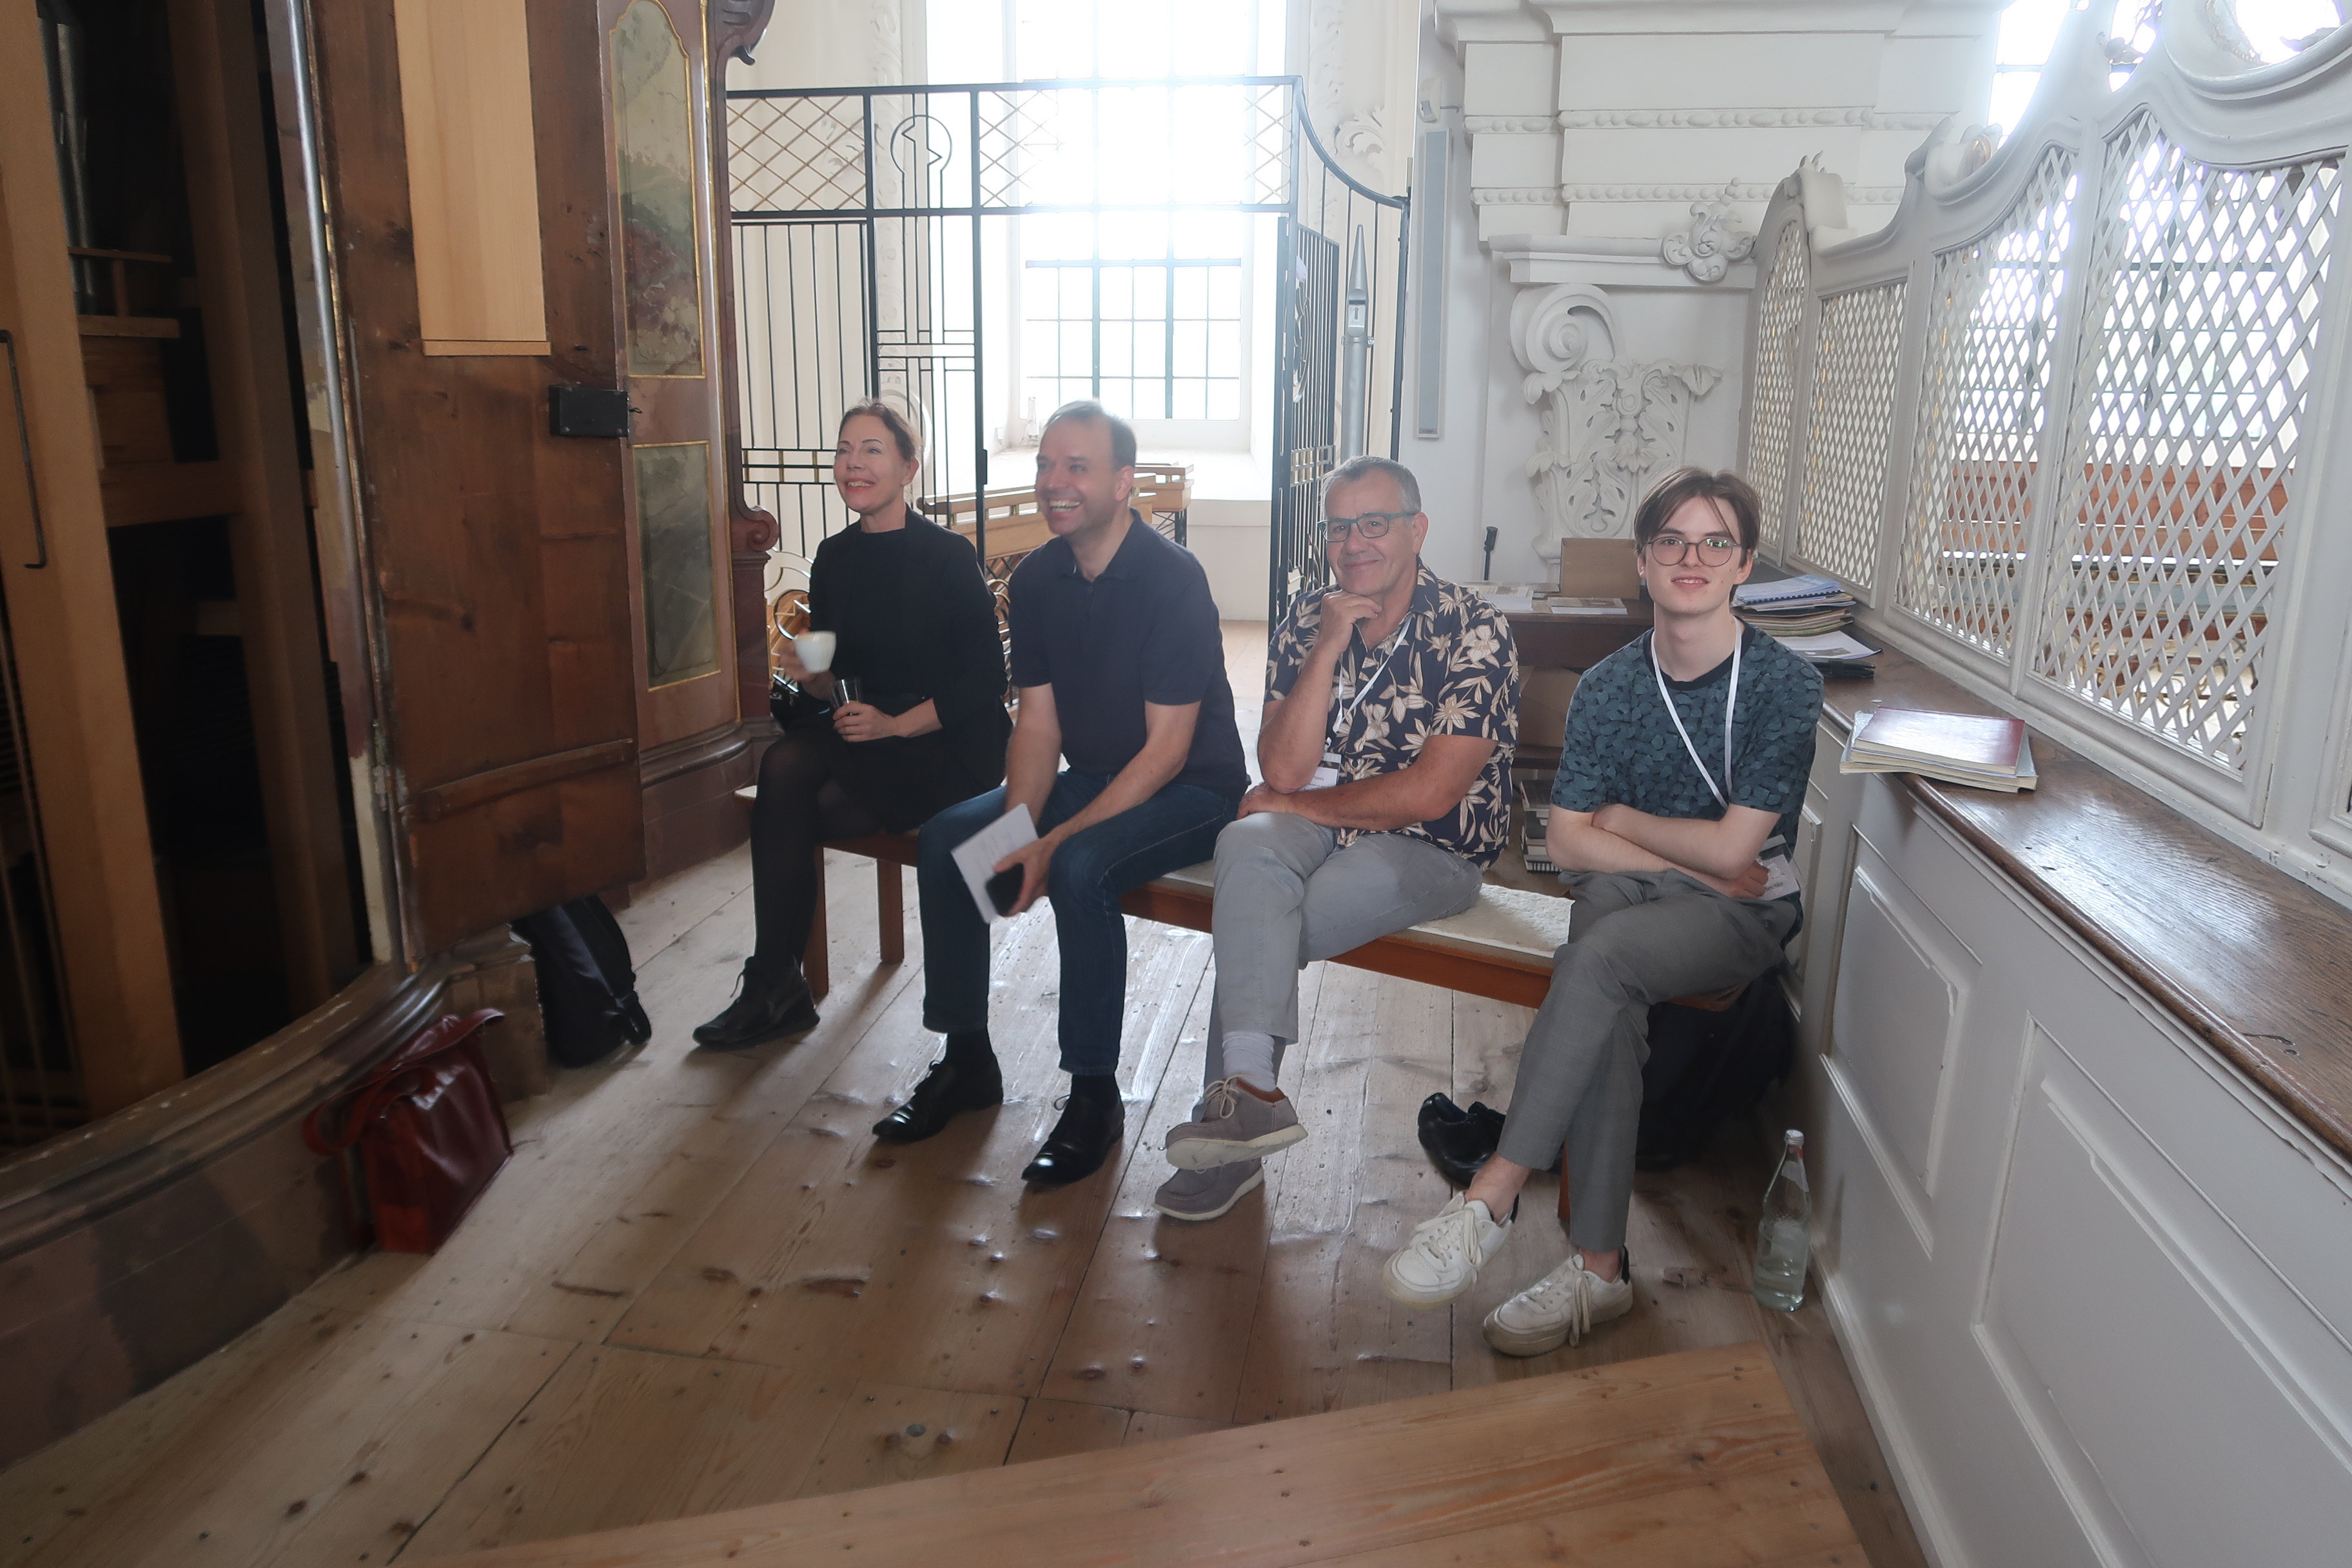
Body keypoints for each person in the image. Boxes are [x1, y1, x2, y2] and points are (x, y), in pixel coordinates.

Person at [1378, 467, 1820, 1356]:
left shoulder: (1784, 685)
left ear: (1744, 565)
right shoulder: (1611, 684)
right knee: (1604, 976)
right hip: (1628, 891)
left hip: (1741, 913)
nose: (1692, 558)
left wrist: (1620, 818)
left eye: (1716, 543)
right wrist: (1673, 848)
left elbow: (1739, 855)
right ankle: (1601, 1271)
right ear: (1643, 560)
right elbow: (1571, 845)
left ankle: (1492, 1195)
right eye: (1672, 541)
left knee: (1599, 958)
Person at [876, 400, 1247, 1183]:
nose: (1054, 481)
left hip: (1194, 789)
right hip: (1094, 777)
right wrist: (1016, 827)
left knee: (1079, 867)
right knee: (949, 841)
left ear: (1122, 481)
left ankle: (1093, 1096)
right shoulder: (1039, 577)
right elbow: (1039, 726)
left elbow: (1167, 751)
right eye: (1046, 464)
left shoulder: (1172, 578)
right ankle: (967, 1059)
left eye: (1076, 466)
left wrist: (1050, 843)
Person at [1153, 455, 1520, 1222]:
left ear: (1417, 530)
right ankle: (1251, 1095)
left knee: (1257, 918)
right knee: (1248, 847)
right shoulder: (1307, 618)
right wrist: (1325, 646)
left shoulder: (1475, 627)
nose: (1354, 543)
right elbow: (1283, 768)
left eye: (1374, 523)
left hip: (1430, 845)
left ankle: (1230, 1124)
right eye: (1338, 527)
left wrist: (1298, 806)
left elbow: (1431, 792)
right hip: (1315, 815)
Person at [692, 402, 1010, 1050]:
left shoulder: (948, 555)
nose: (852, 464)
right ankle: (775, 979)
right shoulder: (834, 556)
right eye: (843, 450)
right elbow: (839, 670)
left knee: (790, 811)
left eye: (871, 450)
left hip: (945, 742)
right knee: (783, 766)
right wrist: (809, 675)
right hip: (867, 728)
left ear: (909, 468)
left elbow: (985, 681)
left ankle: (778, 986)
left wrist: (896, 726)